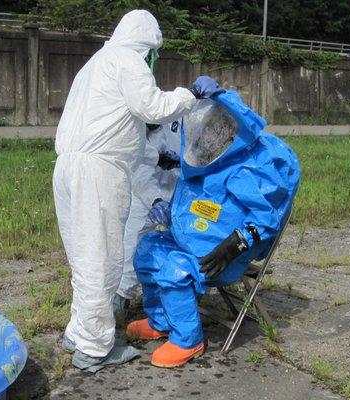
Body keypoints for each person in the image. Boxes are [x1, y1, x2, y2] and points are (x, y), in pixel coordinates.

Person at [52, 8, 223, 372]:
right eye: (154, 54)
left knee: (83, 257)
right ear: (147, 44)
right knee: (102, 259)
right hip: (99, 172)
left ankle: (79, 332)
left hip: (68, 167)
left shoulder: (95, 64)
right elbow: (151, 107)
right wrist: (189, 95)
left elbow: (114, 125)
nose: (153, 61)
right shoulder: (129, 61)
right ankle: (96, 349)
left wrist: (155, 156)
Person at [126, 90, 301, 368]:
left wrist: (234, 245)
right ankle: (161, 320)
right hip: (192, 240)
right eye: (206, 129)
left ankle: (188, 340)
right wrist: (169, 208)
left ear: (231, 135)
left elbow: (266, 218)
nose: (207, 136)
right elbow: (198, 204)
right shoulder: (207, 162)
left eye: (214, 131)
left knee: (175, 268)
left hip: (222, 256)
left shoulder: (244, 170)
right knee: (147, 251)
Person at [115, 122, 182, 312]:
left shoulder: (178, 115)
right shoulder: (131, 129)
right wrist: (155, 200)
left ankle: (178, 294)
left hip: (181, 189)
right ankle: (120, 297)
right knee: (131, 244)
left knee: (184, 242)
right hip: (147, 194)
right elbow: (137, 170)